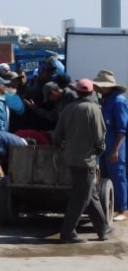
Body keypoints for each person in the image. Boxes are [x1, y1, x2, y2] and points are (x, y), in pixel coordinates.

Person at [52, 78, 113, 243]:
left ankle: (103, 228)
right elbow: (100, 136)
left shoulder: (68, 109)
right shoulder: (94, 109)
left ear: (77, 92)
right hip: (87, 160)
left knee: (90, 193)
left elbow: (57, 135)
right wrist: (100, 150)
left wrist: (61, 144)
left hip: (71, 159)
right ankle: (67, 233)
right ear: (92, 92)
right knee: (81, 197)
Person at [92, 69, 128, 222]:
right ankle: (110, 206)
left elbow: (122, 128)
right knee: (105, 177)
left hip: (115, 146)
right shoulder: (106, 100)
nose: (98, 88)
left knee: (118, 176)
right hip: (105, 146)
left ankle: (123, 209)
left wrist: (115, 150)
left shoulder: (119, 101)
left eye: (100, 86)